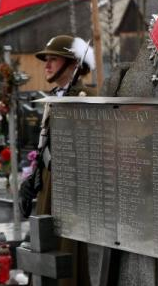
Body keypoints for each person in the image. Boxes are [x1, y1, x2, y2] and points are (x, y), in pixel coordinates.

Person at [33, 34, 96, 285]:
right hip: (50, 181)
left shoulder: (85, 97)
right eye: (45, 60)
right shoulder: (55, 97)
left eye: (53, 59)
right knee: (46, 250)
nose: (46, 65)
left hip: (72, 187)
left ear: (74, 65)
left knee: (68, 254)